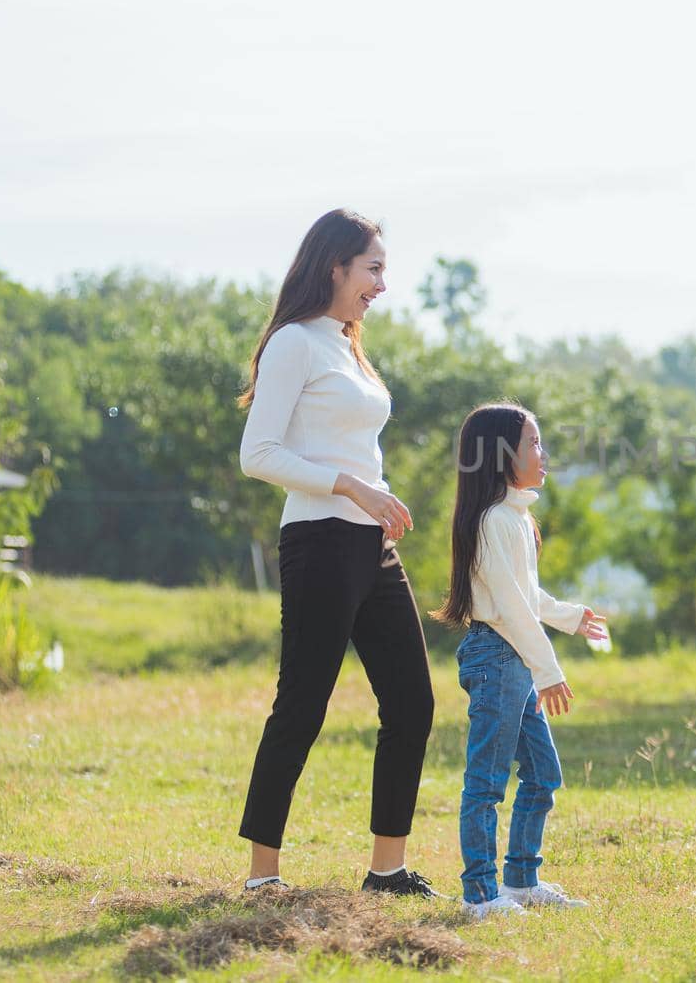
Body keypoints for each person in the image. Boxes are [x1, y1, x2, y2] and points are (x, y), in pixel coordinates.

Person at [234, 208, 438, 898]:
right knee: (303, 707)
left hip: (370, 546)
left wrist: (377, 496)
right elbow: (257, 454)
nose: (382, 283)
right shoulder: (294, 343)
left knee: (412, 700)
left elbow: (350, 439)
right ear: (336, 268)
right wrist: (351, 487)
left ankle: (387, 870)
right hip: (319, 540)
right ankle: (264, 877)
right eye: (373, 268)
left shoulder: (346, 345)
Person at [435, 402, 609, 919]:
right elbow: (509, 609)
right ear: (501, 455)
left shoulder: (515, 518)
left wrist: (571, 616)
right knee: (486, 782)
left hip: (514, 657)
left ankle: (521, 881)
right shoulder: (492, 522)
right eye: (533, 442)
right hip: (497, 657)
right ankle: (481, 896)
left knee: (542, 774)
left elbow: (526, 596)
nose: (543, 452)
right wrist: (549, 670)